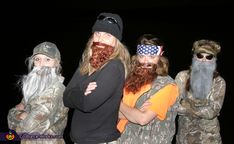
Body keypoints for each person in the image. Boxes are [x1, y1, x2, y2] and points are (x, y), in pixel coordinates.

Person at [63, 12, 130, 144]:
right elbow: (65, 97)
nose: (101, 39)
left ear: (116, 42)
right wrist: (82, 91)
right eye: (98, 33)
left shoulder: (114, 67)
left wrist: (77, 92)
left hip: (100, 140)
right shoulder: (86, 64)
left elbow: (87, 104)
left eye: (108, 35)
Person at [117, 34, 179, 144]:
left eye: (152, 57)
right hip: (121, 138)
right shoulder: (130, 82)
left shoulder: (167, 86)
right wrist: (135, 111)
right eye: (142, 56)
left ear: (160, 57)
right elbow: (113, 113)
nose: (146, 61)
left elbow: (142, 119)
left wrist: (118, 103)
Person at [7, 41, 69, 144]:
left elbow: (26, 130)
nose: (41, 64)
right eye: (37, 59)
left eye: (47, 60)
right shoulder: (34, 87)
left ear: (56, 63)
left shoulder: (55, 90)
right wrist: (23, 115)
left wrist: (13, 113)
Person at [175, 39, 226, 144]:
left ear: (214, 60)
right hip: (184, 136)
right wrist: (199, 108)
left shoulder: (219, 82)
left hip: (209, 138)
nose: (203, 60)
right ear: (194, 57)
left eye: (209, 57)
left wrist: (187, 105)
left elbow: (212, 111)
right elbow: (174, 105)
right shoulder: (182, 77)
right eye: (200, 55)